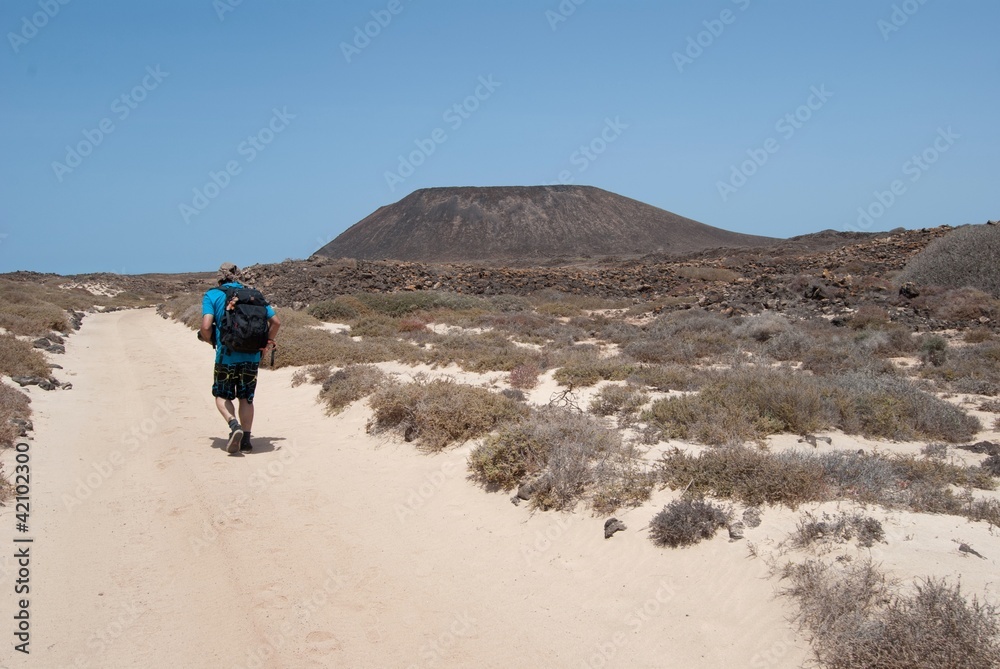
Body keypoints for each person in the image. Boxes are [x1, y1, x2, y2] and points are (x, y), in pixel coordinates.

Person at [199, 262, 280, 454]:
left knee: (221, 395)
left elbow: (205, 326)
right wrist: (267, 343)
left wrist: (211, 341)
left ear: (220, 276)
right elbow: (276, 322)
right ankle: (246, 439)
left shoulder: (212, 295)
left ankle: (233, 425)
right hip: (252, 356)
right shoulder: (253, 295)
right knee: (246, 398)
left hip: (226, 355)